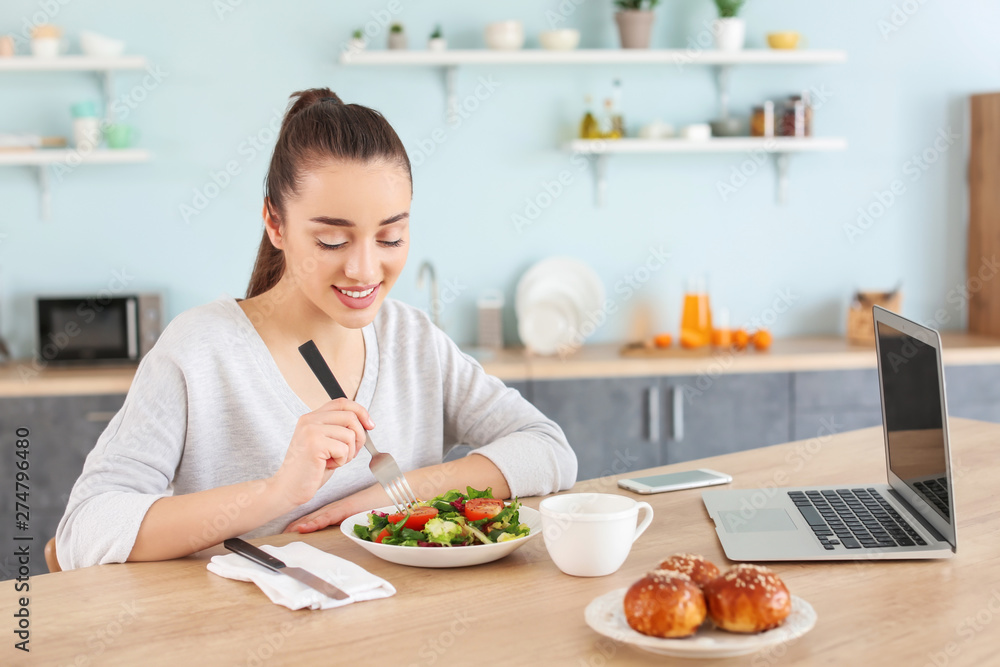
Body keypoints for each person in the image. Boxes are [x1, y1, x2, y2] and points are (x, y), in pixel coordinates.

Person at [55, 88, 577, 571]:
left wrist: (394, 494)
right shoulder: (199, 350)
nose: (365, 270)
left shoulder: (411, 339)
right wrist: (277, 493)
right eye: (332, 241)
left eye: (391, 236)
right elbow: (82, 533)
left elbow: (548, 449)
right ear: (275, 224)